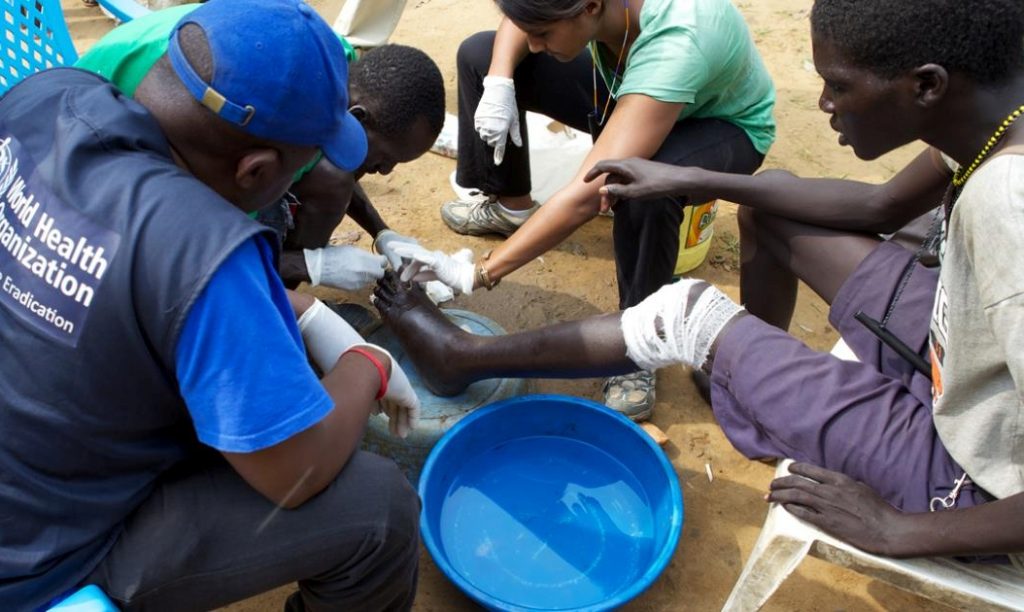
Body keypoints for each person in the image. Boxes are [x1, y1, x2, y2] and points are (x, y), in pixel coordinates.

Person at [373, 0, 1024, 564]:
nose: (823, 102)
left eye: (838, 86)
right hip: (956, 348)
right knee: (774, 200)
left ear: (927, 84)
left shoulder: (1008, 207)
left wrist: (900, 530)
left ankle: (463, 356)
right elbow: (881, 207)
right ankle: (750, 381)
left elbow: (592, 189)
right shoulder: (989, 117)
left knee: (685, 312)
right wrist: (692, 179)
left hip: (970, 469)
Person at [0, 0, 422, 609]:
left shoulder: (49, 96)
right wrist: (368, 365)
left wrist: (303, 310)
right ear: (256, 171)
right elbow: (296, 475)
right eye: (301, 168)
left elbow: (113, 267)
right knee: (378, 507)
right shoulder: (206, 249)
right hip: (36, 560)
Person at [392, 0, 776, 420]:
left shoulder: (681, 35)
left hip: (720, 123)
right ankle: (511, 206)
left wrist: (479, 272)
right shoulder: (586, 11)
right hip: (632, 88)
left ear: (590, 7)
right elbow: (526, 20)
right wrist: (500, 81)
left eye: (544, 34)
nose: (534, 44)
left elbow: (587, 194)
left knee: (635, 184)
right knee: (482, 55)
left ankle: (639, 342)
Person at [76, 5, 447, 296]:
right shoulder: (157, 151)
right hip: (104, 207)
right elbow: (182, 264)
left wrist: (383, 234)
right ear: (253, 169)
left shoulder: (329, 61)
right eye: (384, 161)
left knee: (332, 179)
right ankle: (269, 296)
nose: (385, 174)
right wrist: (308, 266)